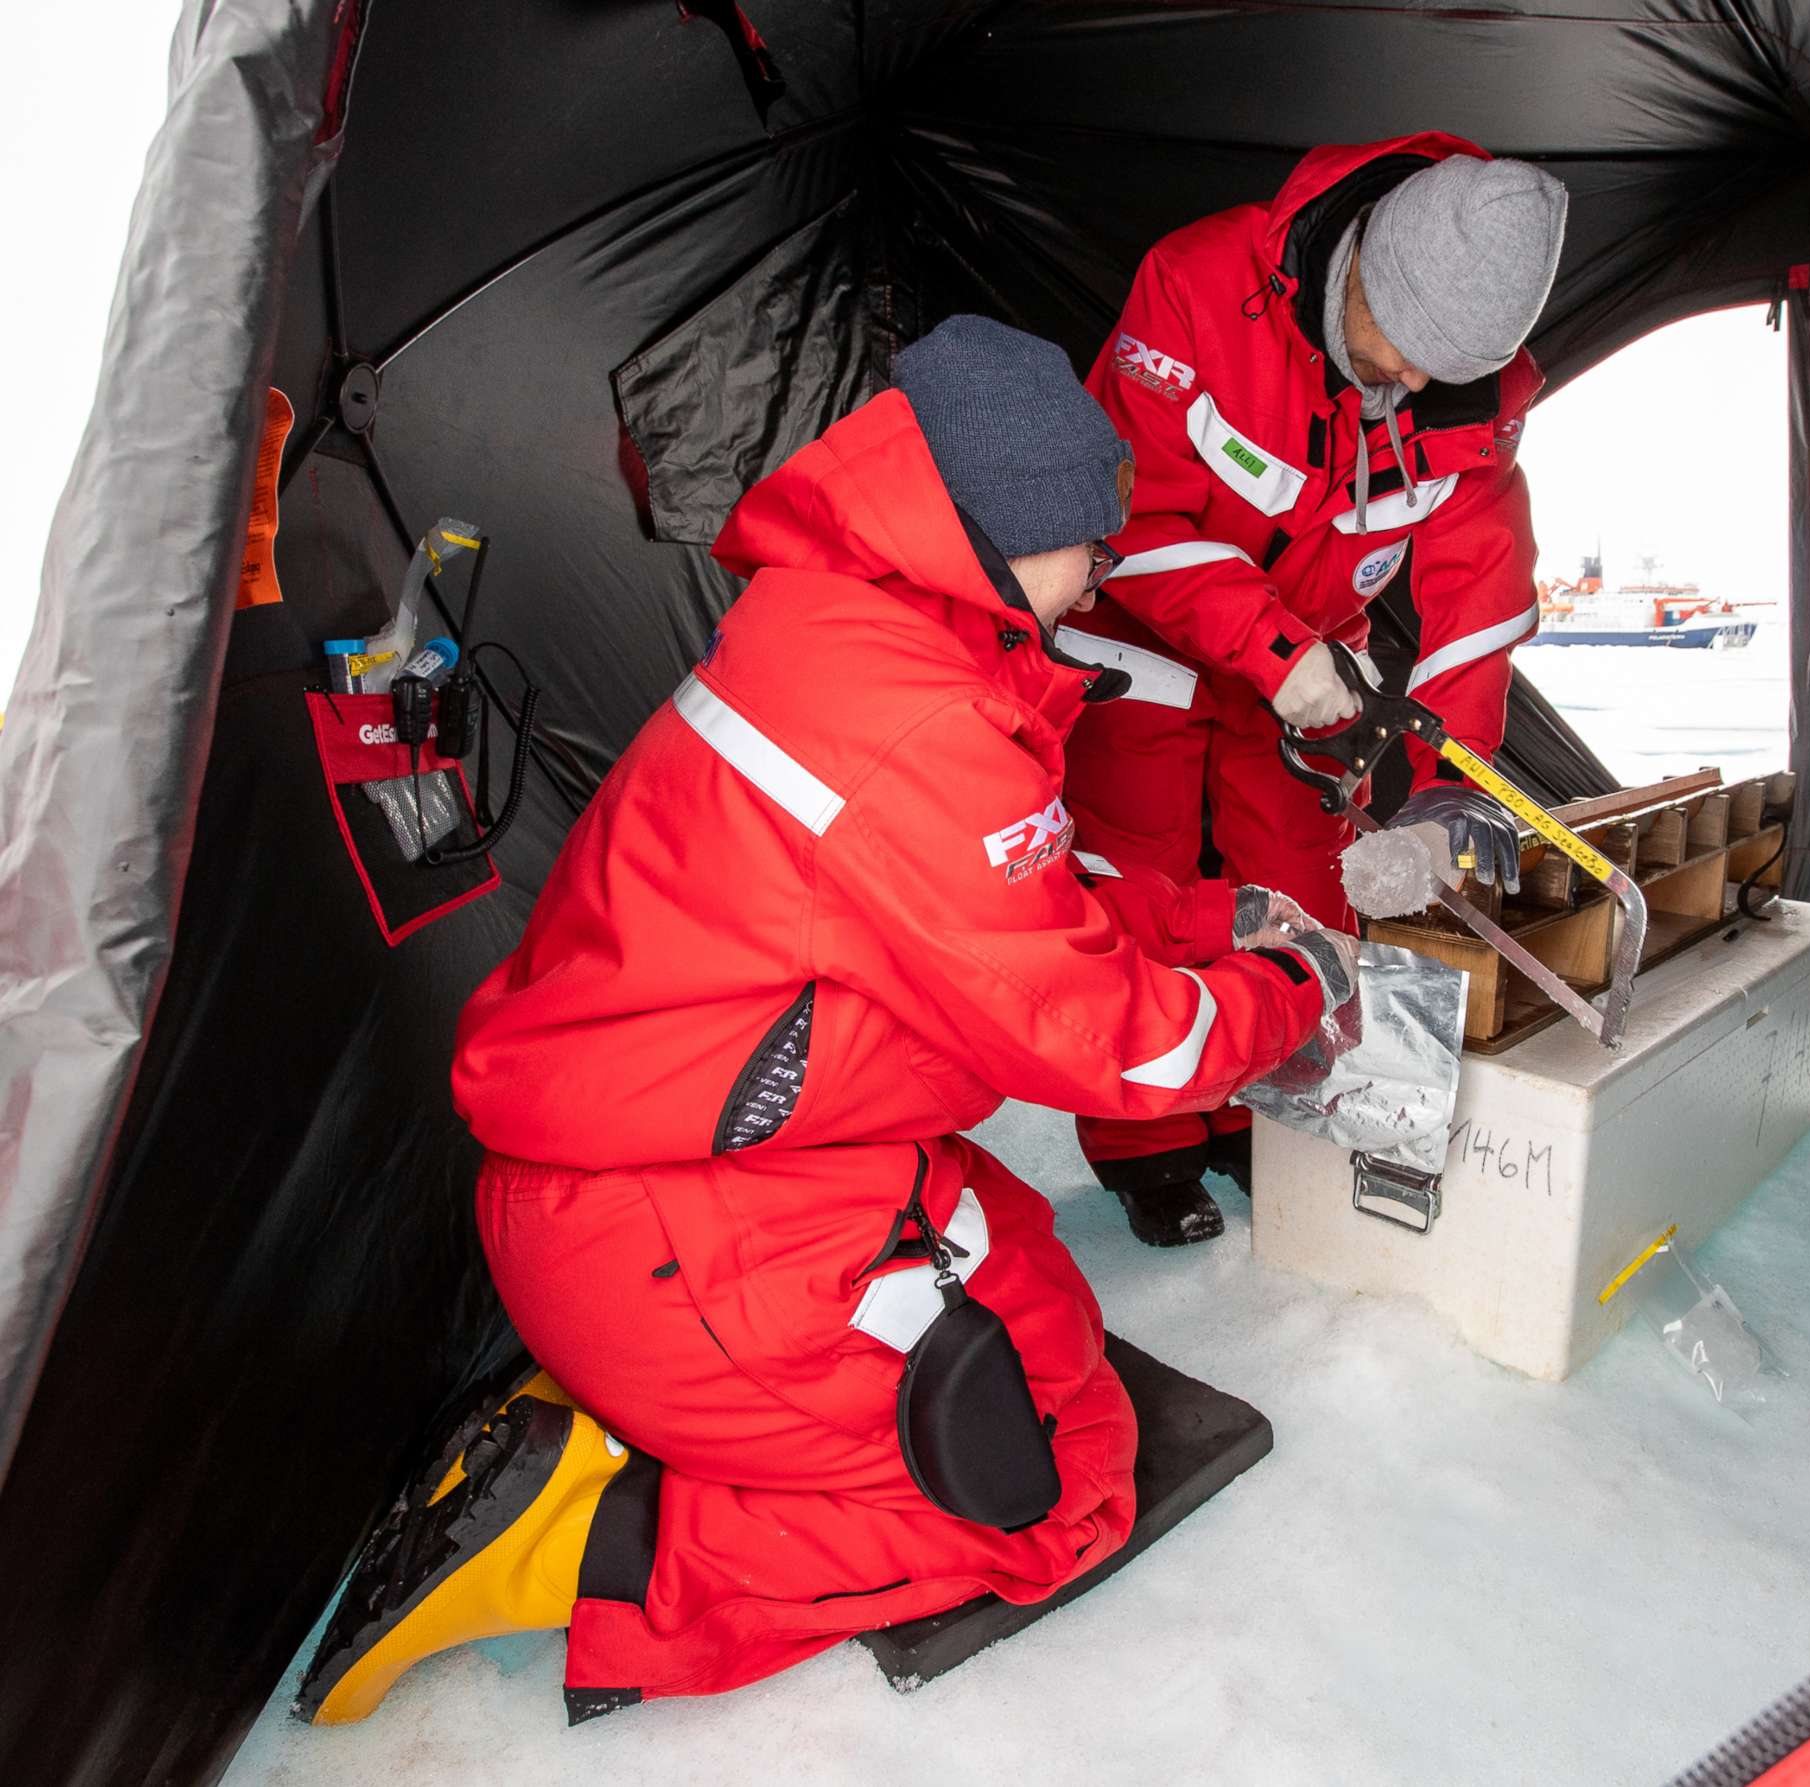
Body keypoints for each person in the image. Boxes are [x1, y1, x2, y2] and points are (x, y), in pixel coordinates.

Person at [296, 316, 1357, 1725]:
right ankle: (590, 1546)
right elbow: (1118, 1044)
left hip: (720, 1176)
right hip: (678, 1228)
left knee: (1042, 1303)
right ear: (1003, 521)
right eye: (1086, 533)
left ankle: (637, 1417)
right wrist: (1292, 998)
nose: (1105, 564)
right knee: (1057, 1489)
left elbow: (1020, 895)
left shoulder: (858, 633)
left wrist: (1222, 922)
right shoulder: (908, 717)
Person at [1064, 135, 1568, 1246]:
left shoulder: (1469, 406)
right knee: (1138, 882)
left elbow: (1476, 604)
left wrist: (1449, 785)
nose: (1420, 383)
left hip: (1307, 674)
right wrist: (1271, 647)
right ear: (1364, 271)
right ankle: (1146, 1142)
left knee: (1299, 884)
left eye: (1454, 364)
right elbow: (1125, 511)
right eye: (1406, 346)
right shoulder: (1195, 290)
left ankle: (1266, 1097)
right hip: (1145, 635)